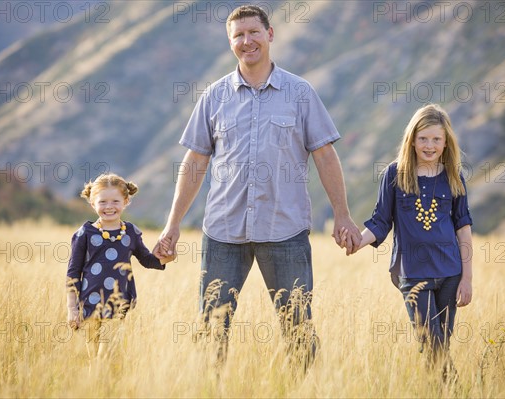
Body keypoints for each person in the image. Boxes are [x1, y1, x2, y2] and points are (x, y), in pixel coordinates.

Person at [154, 5, 361, 368]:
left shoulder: (300, 92)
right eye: (238, 35)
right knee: (211, 329)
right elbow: (195, 162)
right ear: (230, 42)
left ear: (270, 34)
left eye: (253, 32)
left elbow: (326, 157)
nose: (246, 41)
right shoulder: (214, 96)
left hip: (285, 231)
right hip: (223, 232)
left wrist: (342, 215)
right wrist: (172, 226)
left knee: (297, 328)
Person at [340, 104, 473, 378]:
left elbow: (463, 227)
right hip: (412, 275)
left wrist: (467, 279)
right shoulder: (395, 174)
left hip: (450, 273)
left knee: (440, 348)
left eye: (436, 139)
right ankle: (459, 391)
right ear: (412, 139)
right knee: (433, 346)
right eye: (423, 138)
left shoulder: (454, 176)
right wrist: (357, 242)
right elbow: (380, 222)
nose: (429, 145)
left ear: (446, 142)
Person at [66, 173, 171, 361]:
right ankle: (98, 389)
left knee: (103, 357)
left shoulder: (130, 232)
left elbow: (147, 260)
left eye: (115, 201)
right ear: (92, 203)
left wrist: (166, 258)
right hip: (88, 304)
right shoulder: (85, 233)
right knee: (94, 359)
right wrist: (72, 308)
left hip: (117, 302)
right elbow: (73, 273)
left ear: (126, 201)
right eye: (102, 202)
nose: (109, 207)